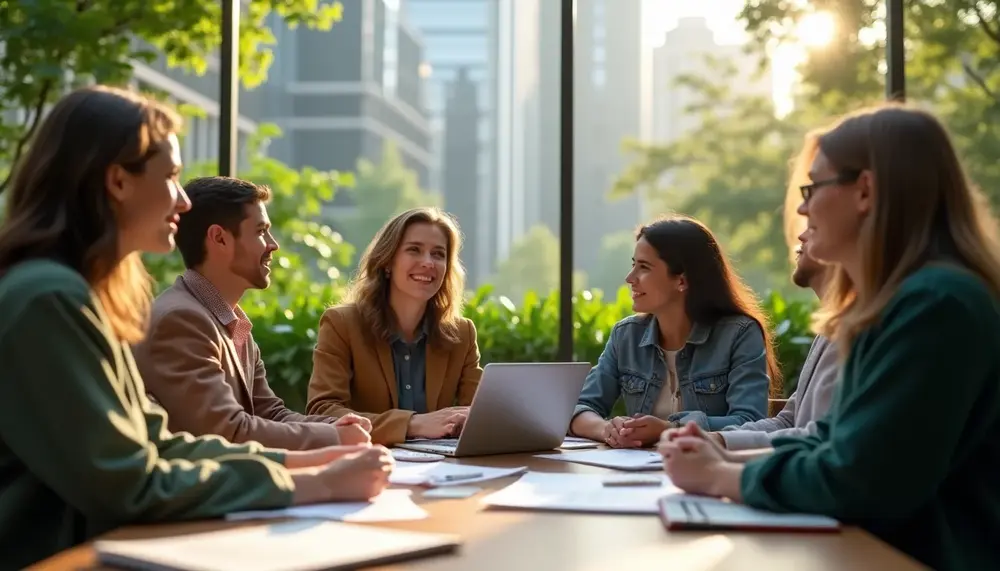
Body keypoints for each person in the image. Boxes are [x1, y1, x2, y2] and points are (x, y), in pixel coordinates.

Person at [0, 86, 393, 569]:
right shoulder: (48, 299)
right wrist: (316, 483)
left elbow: (158, 443)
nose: (183, 201)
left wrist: (314, 461)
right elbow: (132, 484)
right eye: (170, 177)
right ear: (118, 181)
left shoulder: (83, 295)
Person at [659, 104, 1000, 571]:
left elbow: (860, 479)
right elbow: (835, 445)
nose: (802, 208)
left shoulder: (935, 304)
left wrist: (719, 475)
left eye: (813, 187)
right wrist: (724, 462)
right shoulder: (904, 302)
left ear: (864, 191)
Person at [133, 175, 371, 449]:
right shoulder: (181, 320)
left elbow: (270, 414)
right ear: (219, 238)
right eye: (260, 231)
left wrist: (338, 426)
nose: (273, 244)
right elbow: (227, 432)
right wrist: (335, 437)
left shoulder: (231, 322)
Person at [569, 216, 779, 448]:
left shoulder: (739, 334)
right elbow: (578, 409)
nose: (630, 279)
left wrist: (670, 430)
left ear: (681, 280)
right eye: (633, 265)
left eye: (644, 267)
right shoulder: (626, 335)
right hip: (639, 474)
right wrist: (608, 430)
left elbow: (750, 423)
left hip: (708, 474)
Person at [307, 207, 482, 445]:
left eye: (438, 254)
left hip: (440, 467)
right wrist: (413, 424)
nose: (428, 262)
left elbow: (479, 413)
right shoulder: (341, 324)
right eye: (414, 250)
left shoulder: (462, 334)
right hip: (366, 463)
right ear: (387, 261)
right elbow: (322, 412)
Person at [711, 135, 840, 451]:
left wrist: (720, 465)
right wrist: (714, 441)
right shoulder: (834, 326)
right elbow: (791, 421)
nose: (801, 218)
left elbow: (821, 443)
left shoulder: (881, 320)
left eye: (814, 190)